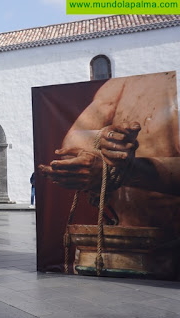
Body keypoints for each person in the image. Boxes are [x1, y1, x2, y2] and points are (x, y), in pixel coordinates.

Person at [38, 71, 180, 277]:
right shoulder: (121, 86)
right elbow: (71, 143)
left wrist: (126, 170)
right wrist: (105, 138)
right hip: (123, 241)